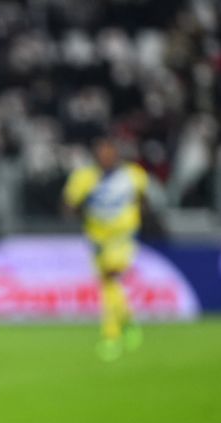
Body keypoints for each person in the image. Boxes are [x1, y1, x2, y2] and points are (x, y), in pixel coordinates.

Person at [63, 136, 148, 361]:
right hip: (97, 238)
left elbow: (143, 200)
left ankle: (111, 336)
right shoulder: (85, 177)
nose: (105, 156)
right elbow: (69, 205)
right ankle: (128, 320)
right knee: (108, 284)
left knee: (110, 278)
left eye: (109, 152)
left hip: (122, 237)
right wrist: (82, 211)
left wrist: (135, 221)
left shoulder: (133, 174)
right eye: (101, 152)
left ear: (116, 154)